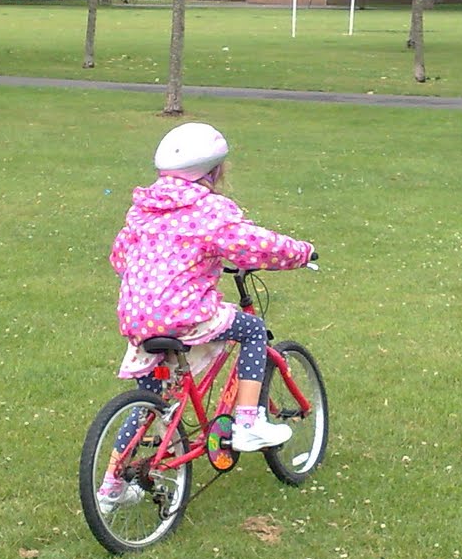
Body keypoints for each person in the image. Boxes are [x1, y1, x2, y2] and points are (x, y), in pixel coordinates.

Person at [98, 122, 314, 507]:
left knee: (149, 392)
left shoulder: (142, 208)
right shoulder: (209, 209)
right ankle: (248, 422)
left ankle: (111, 486)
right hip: (185, 314)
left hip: (139, 317)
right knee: (251, 329)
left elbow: (119, 258)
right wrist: (301, 252)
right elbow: (255, 245)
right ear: (213, 171)